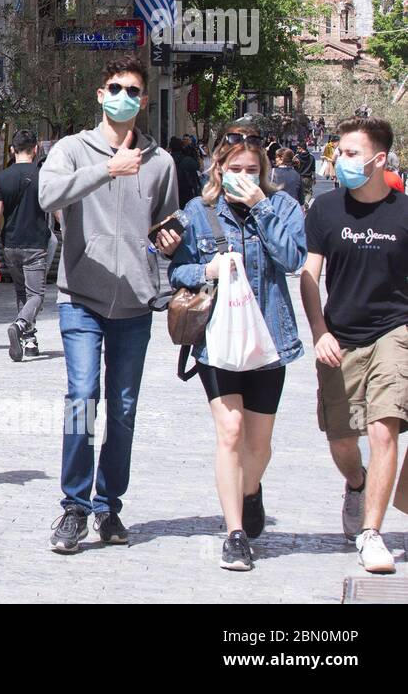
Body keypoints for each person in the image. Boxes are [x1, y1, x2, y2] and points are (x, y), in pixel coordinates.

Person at [38, 58, 182, 554]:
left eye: (133, 90)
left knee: (122, 409)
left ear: (144, 100)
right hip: (81, 298)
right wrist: (107, 169)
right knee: (82, 398)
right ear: (101, 95)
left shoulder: (160, 161)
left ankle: (108, 506)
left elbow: (167, 223)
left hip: (136, 306)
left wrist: (167, 240)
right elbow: (47, 194)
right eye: (115, 88)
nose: (123, 95)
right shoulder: (73, 149)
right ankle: (74, 507)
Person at [169, 126, 306, 572]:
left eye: (252, 170)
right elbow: (176, 272)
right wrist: (203, 268)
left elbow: (293, 259)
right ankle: (234, 532)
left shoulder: (281, 205)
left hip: (269, 340)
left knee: (258, 444)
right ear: (219, 168)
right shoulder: (198, 211)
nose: (243, 176)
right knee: (230, 432)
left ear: (263, 171)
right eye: (235, 169)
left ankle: (250, 490)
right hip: (219, 342)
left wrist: (261, 207)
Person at [300, 116, 408, 574]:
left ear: (378, 159)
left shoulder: (405, 212)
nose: (338, 160)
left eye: (348, 153)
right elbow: (309, 277)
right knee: (343, 438)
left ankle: (372, 533)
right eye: (337, 151)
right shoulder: (325, 211)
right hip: (340, 335)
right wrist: (320, 330)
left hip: (395, 331)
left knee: (385, 426)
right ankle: (357, 482)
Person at [0, 129, 51, 362]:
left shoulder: (1, 178)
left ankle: (29, 340)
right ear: (35, 149)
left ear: (12, 150)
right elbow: (57, 208)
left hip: (10, 244)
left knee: (22, 292)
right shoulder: (43, 175)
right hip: (35, 243)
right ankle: (20, 325)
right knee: (37, 295)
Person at [168, 136, 203, 208]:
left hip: (171, 193)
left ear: (170, 148)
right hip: (186, 193)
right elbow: (200, 167)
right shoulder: (188, 160)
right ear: (182, 147)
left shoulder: (166, 159)